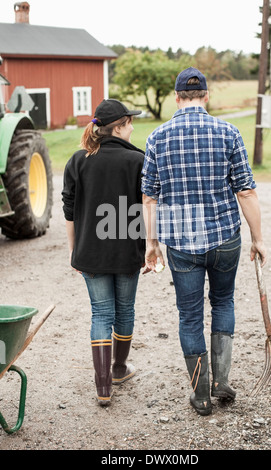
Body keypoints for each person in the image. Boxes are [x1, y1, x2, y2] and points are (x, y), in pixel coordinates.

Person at [142, 67, 267, 416]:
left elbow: (149, 199)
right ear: (207, 96)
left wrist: (151, 243)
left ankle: (200, 395)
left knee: (190, 316)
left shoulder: (157, 138)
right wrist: (258, 239)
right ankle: (221, 381)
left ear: (177, 98)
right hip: (226, 238)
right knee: (224, 301)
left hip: (181, 243)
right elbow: (246, 191)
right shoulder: (229, 132)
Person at [62, 99, 145, 406]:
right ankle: (120, 368)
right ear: (119, 127)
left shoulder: (78, 159)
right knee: (125, 311)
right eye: (130, 123)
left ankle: (103, 388)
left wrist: (75, 251)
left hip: (91, 252)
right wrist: (150, 248)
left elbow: (69, 210)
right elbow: (147, 207)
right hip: (127, 250)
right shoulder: (138, 160)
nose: (133, 127)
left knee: (101, 313)